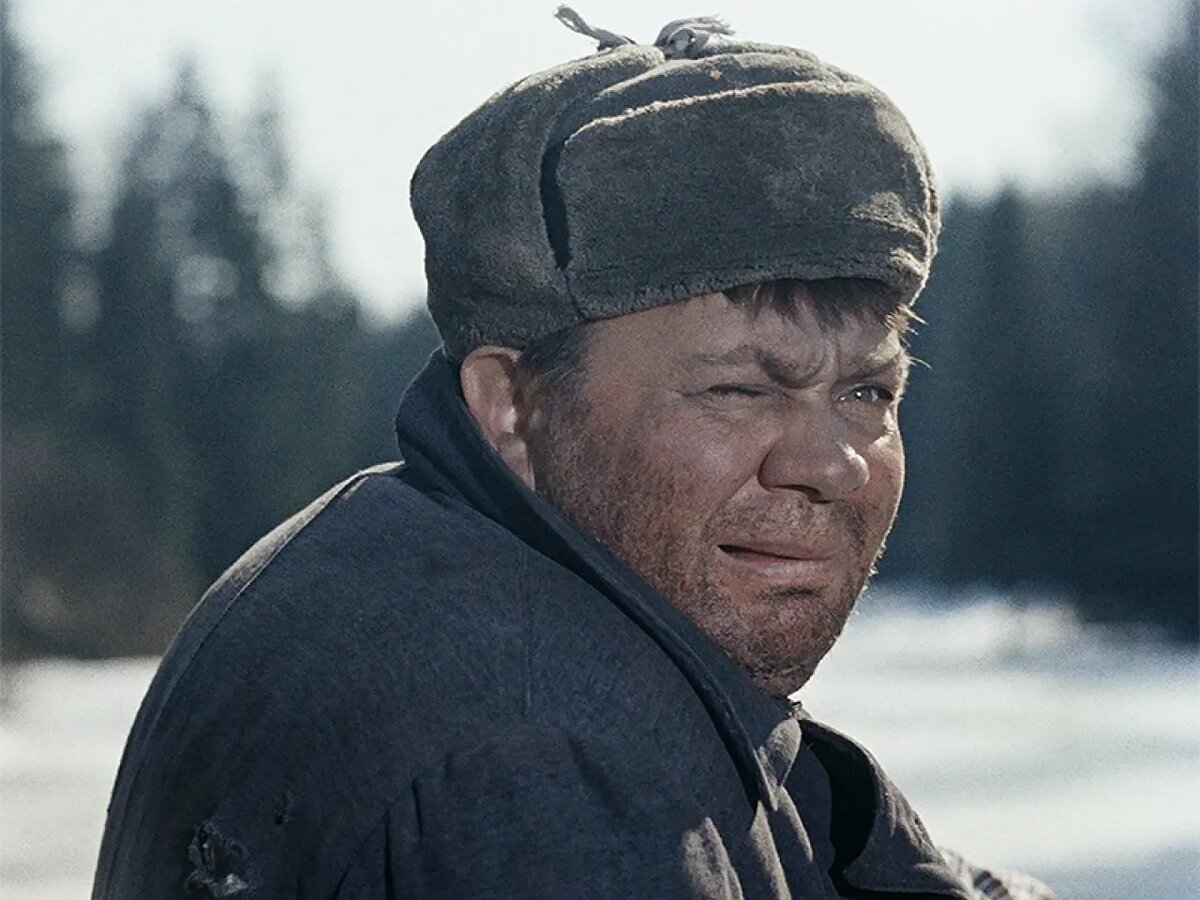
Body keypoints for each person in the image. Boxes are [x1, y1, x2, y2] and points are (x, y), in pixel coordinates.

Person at [93, 10, 1053, 900]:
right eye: (737, 390)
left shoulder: (389, 557)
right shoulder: (550, 766)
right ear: (513, 406)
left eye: (868, 393)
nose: (833, 465)